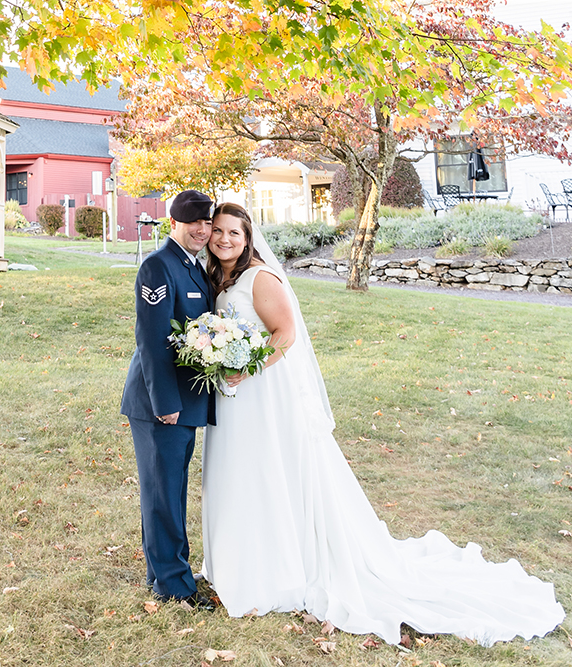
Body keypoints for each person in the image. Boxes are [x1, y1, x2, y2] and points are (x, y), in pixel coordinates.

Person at [200, 202, 564, 646]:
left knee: (269, 471)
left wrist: (249, 368)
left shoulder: (261, 278)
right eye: (217, 231)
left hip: (264, 395)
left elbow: (286, 335)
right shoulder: (219, 276)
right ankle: (246, 560)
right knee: (245, 475)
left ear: (249, 236)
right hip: (236, 397)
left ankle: (279, 567)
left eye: (233, 233)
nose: (223, 239)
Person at [121, 190, 217, 609]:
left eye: (206, 222)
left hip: (184, 401)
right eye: (192, 222)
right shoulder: (158, 266)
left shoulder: (193, 267)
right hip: (161, 403)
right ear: (173, 223)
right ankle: (175, 586)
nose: (201, 229)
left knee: (170, 490)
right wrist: (165, 403)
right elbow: (152, 341)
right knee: (163, 493)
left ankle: (161, 571)